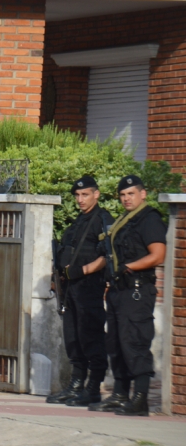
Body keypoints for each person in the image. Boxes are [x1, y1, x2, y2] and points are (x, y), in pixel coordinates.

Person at [89, 175, 166, 416]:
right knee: (116, 344)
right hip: (119, 290)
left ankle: (140, 400)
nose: (126, 198)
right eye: (123, 195)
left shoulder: (149, 219)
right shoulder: (124, 220)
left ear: (143, 194)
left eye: (131, 194)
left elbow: (158, 255)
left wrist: (129, 267)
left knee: (135, 342)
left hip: (137, 290)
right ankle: (120, 395)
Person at [46, 176, 112, 406]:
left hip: (89, 287)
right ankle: (75, 385)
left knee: (91, 336)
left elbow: (107, 256)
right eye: (77, 195)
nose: (80, 199)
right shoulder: (78, 221)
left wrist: (82, 270)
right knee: (73, 337)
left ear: (96, 194)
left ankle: (93, 388)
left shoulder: (103, 220)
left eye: (85, 195)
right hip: (70, 287)